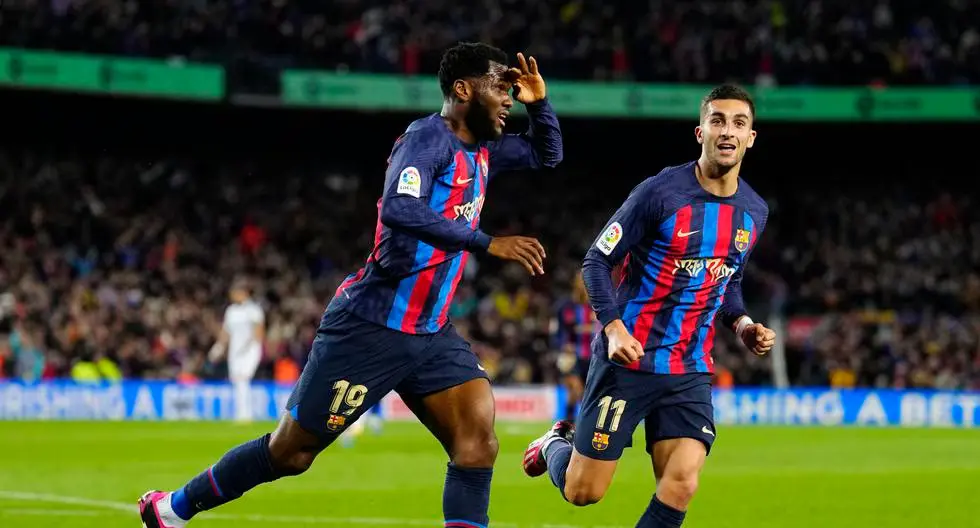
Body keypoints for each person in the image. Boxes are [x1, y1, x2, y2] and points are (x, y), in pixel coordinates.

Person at [138, 42, 562, 528]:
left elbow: (548, 155)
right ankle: (172, 509)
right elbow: (401, 209)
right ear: (464, 90)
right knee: (290, 454)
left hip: (430, 333)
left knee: (478, 444)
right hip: (371, 326)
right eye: (499, 87)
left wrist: (540, 104)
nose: (507, 98)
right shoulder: (427, 141)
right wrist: (486, 242)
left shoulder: (485, 148)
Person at [522, 84, 776, 528]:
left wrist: (743, 324)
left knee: (682, 482)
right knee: (585, 492)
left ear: (752, 137)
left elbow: (728, 279)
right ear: (701, 132)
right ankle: (553, 444)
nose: (728, 131)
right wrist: (614, 327)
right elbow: (597, 260)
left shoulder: (754, 211)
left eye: (739, 123)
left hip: (689, 368)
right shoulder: (659, 193)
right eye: (718, 120)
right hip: (630, 362)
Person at [209, 280, 265, 423]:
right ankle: (242, 413)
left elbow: (258, 331)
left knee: (243, 378)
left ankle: (245, 414)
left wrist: (249, 348)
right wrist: (218, 347)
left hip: (250, 349)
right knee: (237, 381)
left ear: (244, 293)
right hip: (235, 351)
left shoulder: (253, 310)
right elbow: (226, 332)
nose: (233, 296)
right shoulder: (231, 311)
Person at [553, 271, 599, 421]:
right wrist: (563, 344)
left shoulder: (598, 304)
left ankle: (572, 423)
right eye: (580, 281)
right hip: (571, 357)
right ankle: (569, 424)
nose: (583, 284)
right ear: (575, 283)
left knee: (584, 395)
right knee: (575, 389)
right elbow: (556, 332)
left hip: (593, 357)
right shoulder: (565, 307)